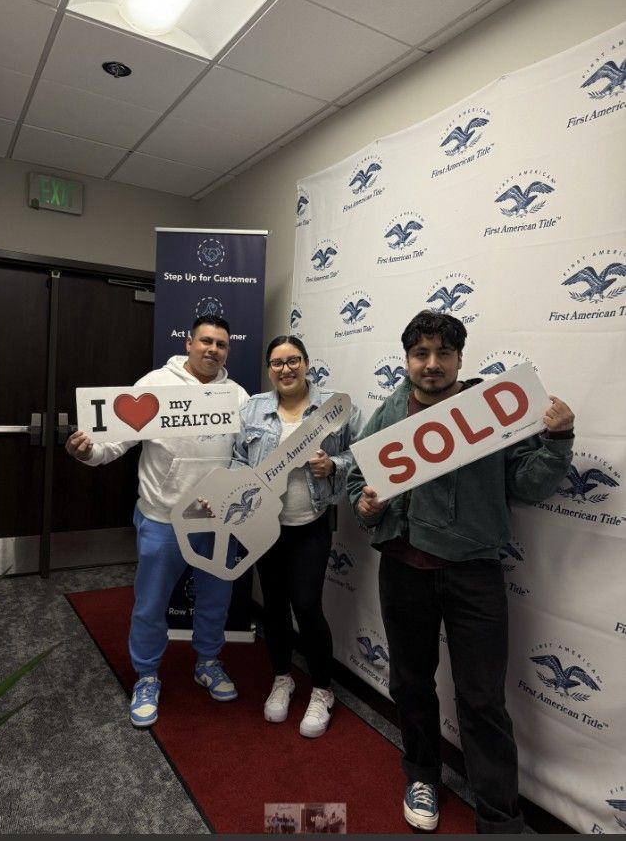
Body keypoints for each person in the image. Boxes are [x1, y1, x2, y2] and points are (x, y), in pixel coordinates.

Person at [347, 310, 574, 834]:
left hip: (475, 573)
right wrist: (366, 506)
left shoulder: (490, 410)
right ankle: (423, 772)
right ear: (406, 360)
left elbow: (526, 484)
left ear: (459, 359)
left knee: (481, 698)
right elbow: (361, 482)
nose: (431, 364)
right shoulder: (388, 412)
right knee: (410, 682)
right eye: (420, 354)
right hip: (404, 569)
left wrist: (558, 441)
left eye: (442, 354)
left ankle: (498, 816)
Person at [65, 315, 249, 728]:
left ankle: (207, 661)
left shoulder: (236, 396)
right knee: (150, 605)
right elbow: (112, 443)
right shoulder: (153, 385)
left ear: (227, 350)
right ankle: (146, 676)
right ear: (188, 343)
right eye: (205, 341)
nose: (212, 350)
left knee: (216, 600)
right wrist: (86, 452)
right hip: (162, 518)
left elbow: (245, 458)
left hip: (217, 521)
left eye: (220, 344)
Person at [233, 335, 363, 737]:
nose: (285, 369)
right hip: (264, 526)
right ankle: (281, 678)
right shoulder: (253, 408)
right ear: (269, 368)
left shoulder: (335, 409)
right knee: (274, 607)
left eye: (293, 361)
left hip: (310, 523)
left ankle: (323, 689)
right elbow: (238, 458)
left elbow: (362, 453)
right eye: (276, 363)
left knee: (306, 607)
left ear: (307, 363)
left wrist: (334, 464)